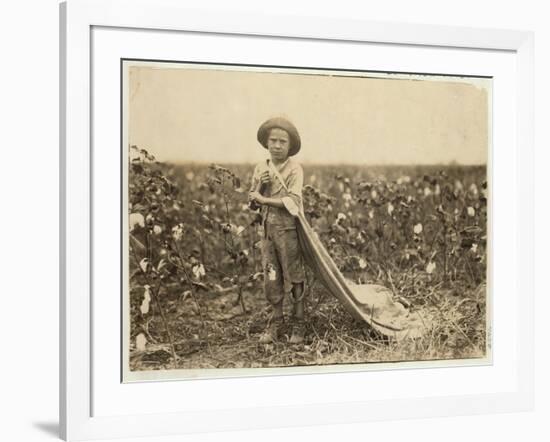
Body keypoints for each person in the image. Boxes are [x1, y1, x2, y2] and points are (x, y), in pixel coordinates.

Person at [248, 117, 306, 344]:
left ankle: (299, 323)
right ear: (266, 142)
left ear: (290, 146)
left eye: (283, 141)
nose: (277, 145)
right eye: (273, 140)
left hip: (288, 230)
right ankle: (276, 322)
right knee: (271, 276)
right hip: (268, 231)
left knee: (294, 275)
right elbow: (252, 202)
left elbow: (293, 201)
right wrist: (260, 187)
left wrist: (263, 198)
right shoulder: (261, 168)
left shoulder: (294, 169)